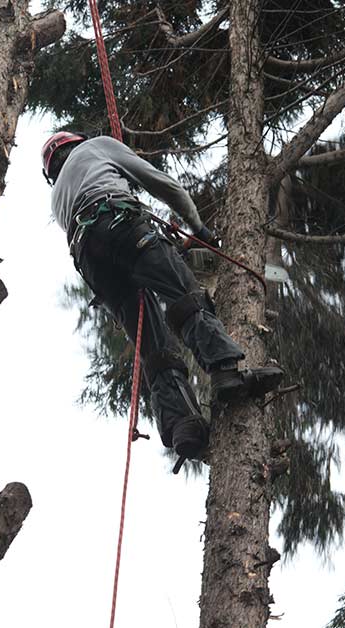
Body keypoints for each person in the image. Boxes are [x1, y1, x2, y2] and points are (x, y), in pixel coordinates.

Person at [42, 131, 283, 463]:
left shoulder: (58, 197)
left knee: (154, 347)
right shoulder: (95, 146)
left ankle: (183, 424)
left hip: (91, 260)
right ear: (75, 143)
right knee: (184, 296)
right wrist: (199, 230)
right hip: (119, 222)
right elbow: (164, 185)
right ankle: (225, 372)